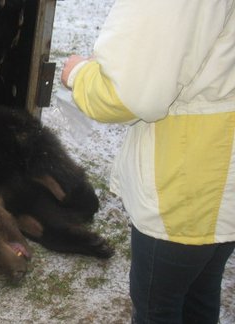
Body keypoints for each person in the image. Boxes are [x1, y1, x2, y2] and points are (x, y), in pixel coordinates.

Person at [61, 1, 235, 323]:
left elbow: (127, 93)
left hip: (186, 185)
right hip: (221, 183)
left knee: (159, 307)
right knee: (200, 294)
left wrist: (79, 75)